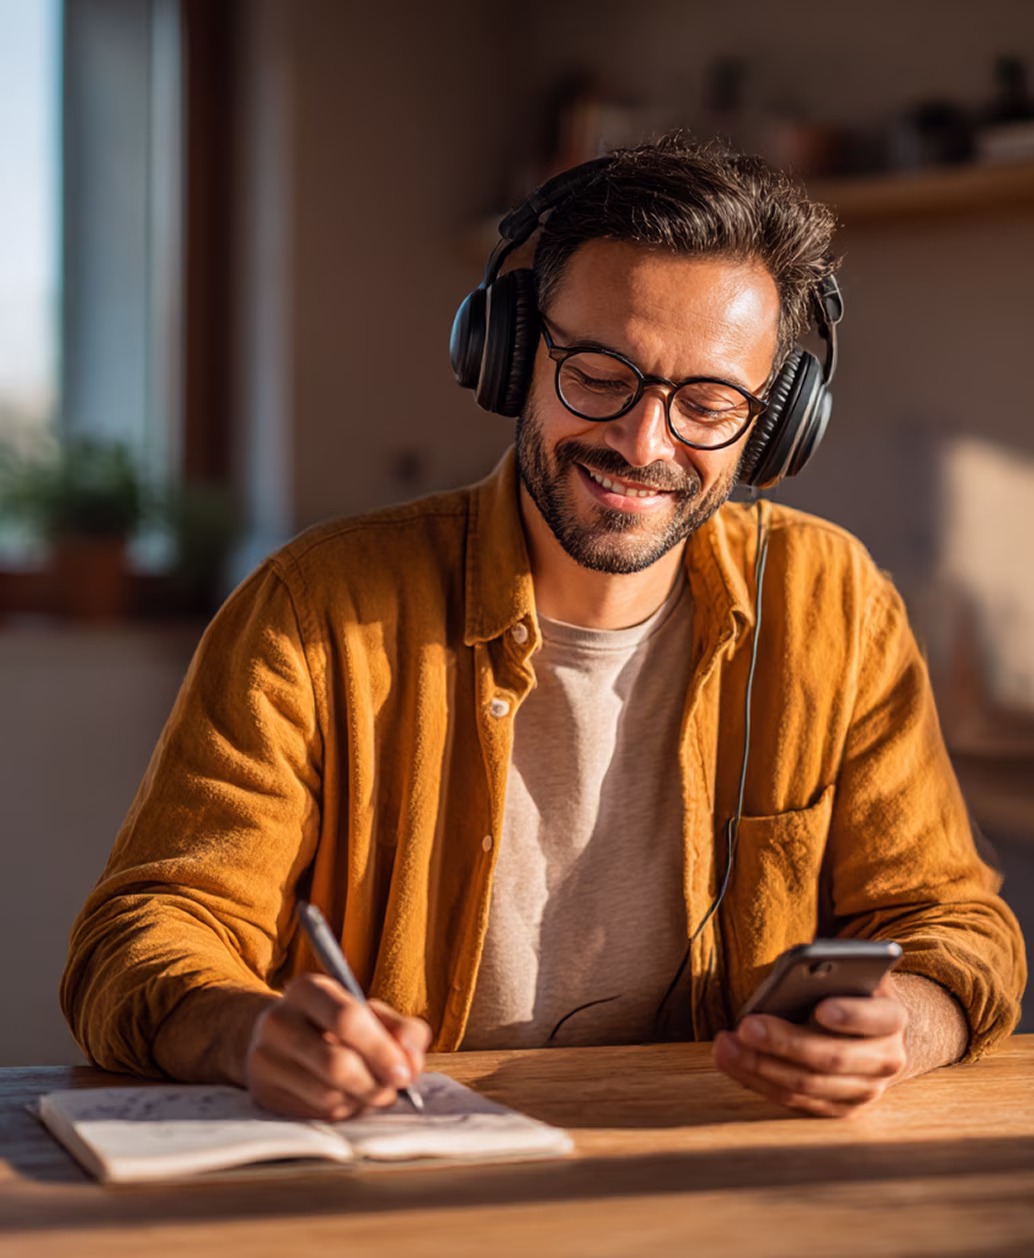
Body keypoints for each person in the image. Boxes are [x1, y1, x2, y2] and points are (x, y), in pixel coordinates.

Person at [62, 135, 1025, 1123]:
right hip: (406, 1182)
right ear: (509, 355)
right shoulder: (314, 608)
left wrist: (903, 1020)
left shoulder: (833, 605)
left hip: (713, 1173)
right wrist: (248, 1033)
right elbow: (137, 940)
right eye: (600, 373)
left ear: (772, 425)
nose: (643, 443)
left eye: (706, 402)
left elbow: (958, 925)